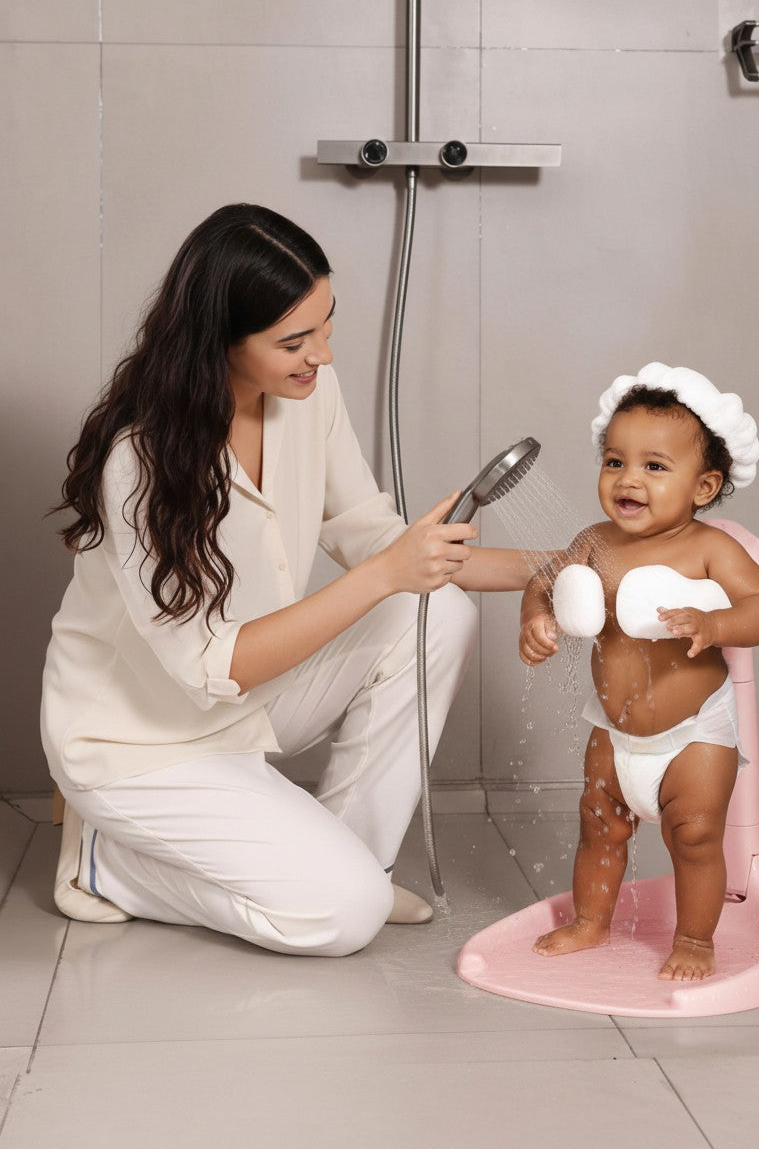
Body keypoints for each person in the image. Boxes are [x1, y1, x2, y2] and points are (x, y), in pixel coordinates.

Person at [41, 203, 533, 956]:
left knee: (439, 612)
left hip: (249, 708)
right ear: (220, 343)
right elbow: (212, 666)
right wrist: (383, 575)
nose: (323, 357)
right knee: (339, 920)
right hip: (141, 742)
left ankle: (355, 858)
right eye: (294, 342)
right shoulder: (141, 462)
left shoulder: (307, 396)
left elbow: (368, 530)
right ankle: (109, 866)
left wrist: (555, 568)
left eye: (326, 327)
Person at [518, 363, 759, 981]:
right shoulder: (593, 542)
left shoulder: (709, 548)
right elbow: (543, 582)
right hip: (613, 730)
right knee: (599, 826)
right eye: (615, 462)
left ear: (703, 485)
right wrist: (536, 620)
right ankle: (591, 921)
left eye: (654, 466)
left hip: (694, 732)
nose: (627, 479)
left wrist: (715, 624)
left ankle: (695, 939)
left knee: (693, 837)